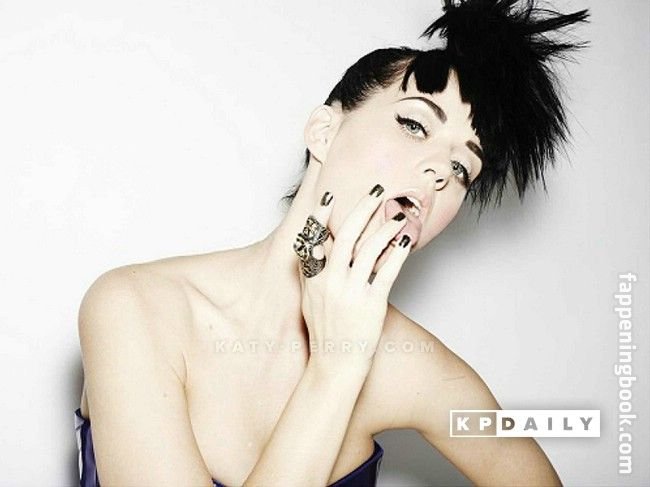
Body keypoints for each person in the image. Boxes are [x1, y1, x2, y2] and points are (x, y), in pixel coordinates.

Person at [75, 0, 589, 485]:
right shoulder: (136, 308)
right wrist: (338, 366)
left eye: (461, 169)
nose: (439, 171)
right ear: (323, 132)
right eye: (414, 125)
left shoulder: (411, 365)